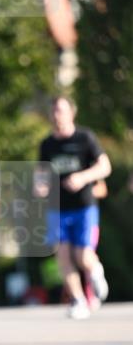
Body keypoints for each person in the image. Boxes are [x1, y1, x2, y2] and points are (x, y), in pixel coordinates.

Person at [36, 96, 111, 319]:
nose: (57, 115)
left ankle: (95, 272)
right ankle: (78, 301)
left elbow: (105, 166)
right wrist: (39, 186)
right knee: (63, 257)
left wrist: (82, 177)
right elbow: (41, 173)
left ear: (72, 112)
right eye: (54, 111)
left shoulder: (85, 138)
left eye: (61, 110)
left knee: (84, 257)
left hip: (83, 207)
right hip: (57, 208)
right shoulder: (47, 144)